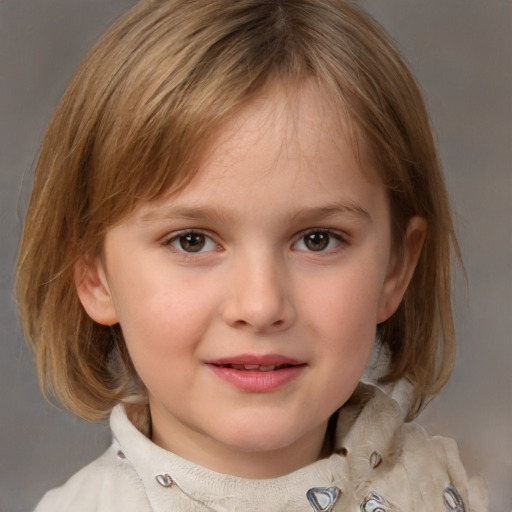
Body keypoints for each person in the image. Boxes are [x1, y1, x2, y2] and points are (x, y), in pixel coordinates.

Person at [16, 0, 488, 510]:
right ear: (95, 276)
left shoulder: (439, 492)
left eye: (317, 239)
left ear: (396, 268)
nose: (261, 306)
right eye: (192, 241)